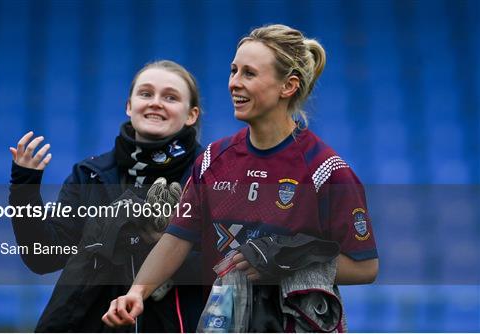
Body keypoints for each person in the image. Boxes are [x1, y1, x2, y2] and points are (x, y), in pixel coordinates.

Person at [101, 24, 379, 330]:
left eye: (249, 73)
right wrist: (137, 292)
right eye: (234, 71)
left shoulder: (326, 170)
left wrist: (284, 259)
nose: (234, 83)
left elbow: (365, 267)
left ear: (288, 86)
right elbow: (178, 237)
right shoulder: (213, 159)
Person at [8, 60, 205, 332]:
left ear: (191, 114)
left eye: (170, 97)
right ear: (129, 106)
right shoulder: (90, 174)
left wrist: (161, 246)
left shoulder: (211, 174)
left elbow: (225, 265)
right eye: (146, 94)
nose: (156, 102)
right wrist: (24, 187)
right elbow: (43, 257)